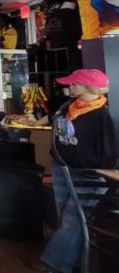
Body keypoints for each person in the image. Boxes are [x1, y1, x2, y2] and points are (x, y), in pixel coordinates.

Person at [29, 69, 116, 273]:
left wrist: (99, 176)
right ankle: (74, 263)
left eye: (74, 84)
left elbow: (109, 153)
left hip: (88, 174)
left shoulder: (101, 114)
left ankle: (54, 263)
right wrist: (31, 123)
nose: (70, 87)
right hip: (62, 168)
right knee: (68, 218)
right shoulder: (70, 106)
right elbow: (52, 118)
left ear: (89, 88)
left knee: (73, 219)